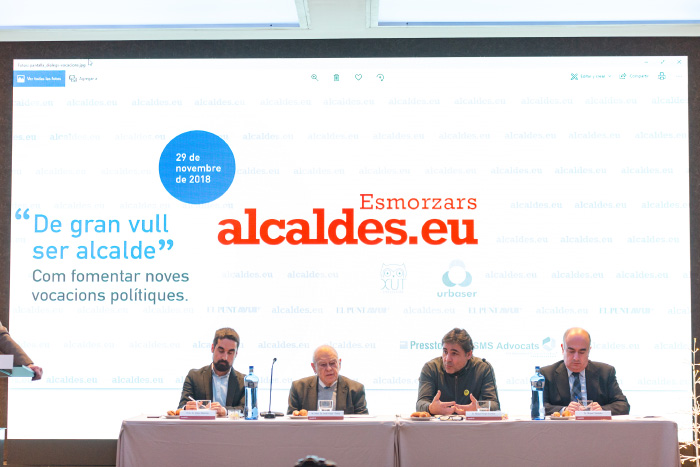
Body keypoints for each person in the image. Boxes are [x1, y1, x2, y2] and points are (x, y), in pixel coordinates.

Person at [541, 327, 630, 415]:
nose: (576, 358)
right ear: (562, 349)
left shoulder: (606, 372)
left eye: (581, 352)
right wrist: (564, 410)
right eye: (571, 351)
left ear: (589, 351)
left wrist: (601, 410)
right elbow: (538, 405)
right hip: (562, 424)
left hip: (595, 424)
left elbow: (623, 405)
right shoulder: (547, 374)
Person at [416, 328, 499, 414]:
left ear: (468, 354)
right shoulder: (431, 368)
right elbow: (421, 403)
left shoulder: (483, 368)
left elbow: (494, 404)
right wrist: (430, 408)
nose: (447, 359)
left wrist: (478, 409)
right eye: (445, 352)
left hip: (471, 422)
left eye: (454, 353)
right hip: (440, 422)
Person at [178, 328, 245, 416]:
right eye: (221, 351)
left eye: (230, 353)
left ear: (236, 354)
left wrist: (225, 411)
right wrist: (186, 408)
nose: (224, 357)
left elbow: (246, 409)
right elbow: (181, 407)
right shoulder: (194, 376)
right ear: (212, 348)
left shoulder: (244, 381)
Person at [287, 345, 368, 414]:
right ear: (314, 367)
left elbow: (364, 422)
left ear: (339, 364)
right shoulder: (299, 388)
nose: (329, 369)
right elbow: (290, 421)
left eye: (332, 363)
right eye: (323, 364)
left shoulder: (356, 389)